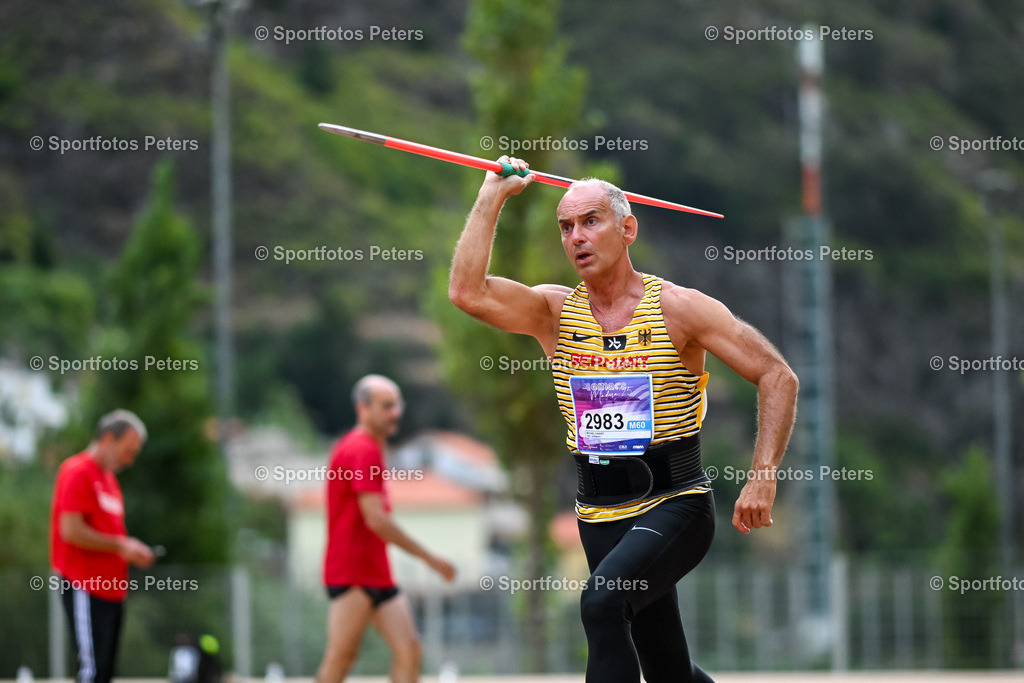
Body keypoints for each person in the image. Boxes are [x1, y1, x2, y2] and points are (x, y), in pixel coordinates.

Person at [448, 158, 799, 682]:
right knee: (665, 669)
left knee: (601, 603)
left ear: (627, 228)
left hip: (675, 503)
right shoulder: (554, 311)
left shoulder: (680, 309)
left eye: (591, 221)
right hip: (598, 512)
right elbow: (466, 293)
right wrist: (491, 195)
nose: (576, 238)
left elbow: (777, 375)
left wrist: (763, 472)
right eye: (566, 227)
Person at [317, 374, 457, 683]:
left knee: (409, 649)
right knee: (341, 659)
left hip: (376, 572)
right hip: (351, 574)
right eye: (386, 406)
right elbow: (376, 520)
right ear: (362, 409)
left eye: (397, 405)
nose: (395, 413)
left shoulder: (372, 449)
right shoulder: (361, 449)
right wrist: (430, 558)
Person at [50, 409, 155, 683]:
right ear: (108, 438)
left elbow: (109, 534)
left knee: (105, 670)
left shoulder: (109, 481)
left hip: (111, 590)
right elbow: (70, 530)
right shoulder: (77, 471)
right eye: (128, 451)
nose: (129, 460)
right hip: (85, 584)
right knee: (92, 671)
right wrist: (121, 546)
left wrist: (130, 549)